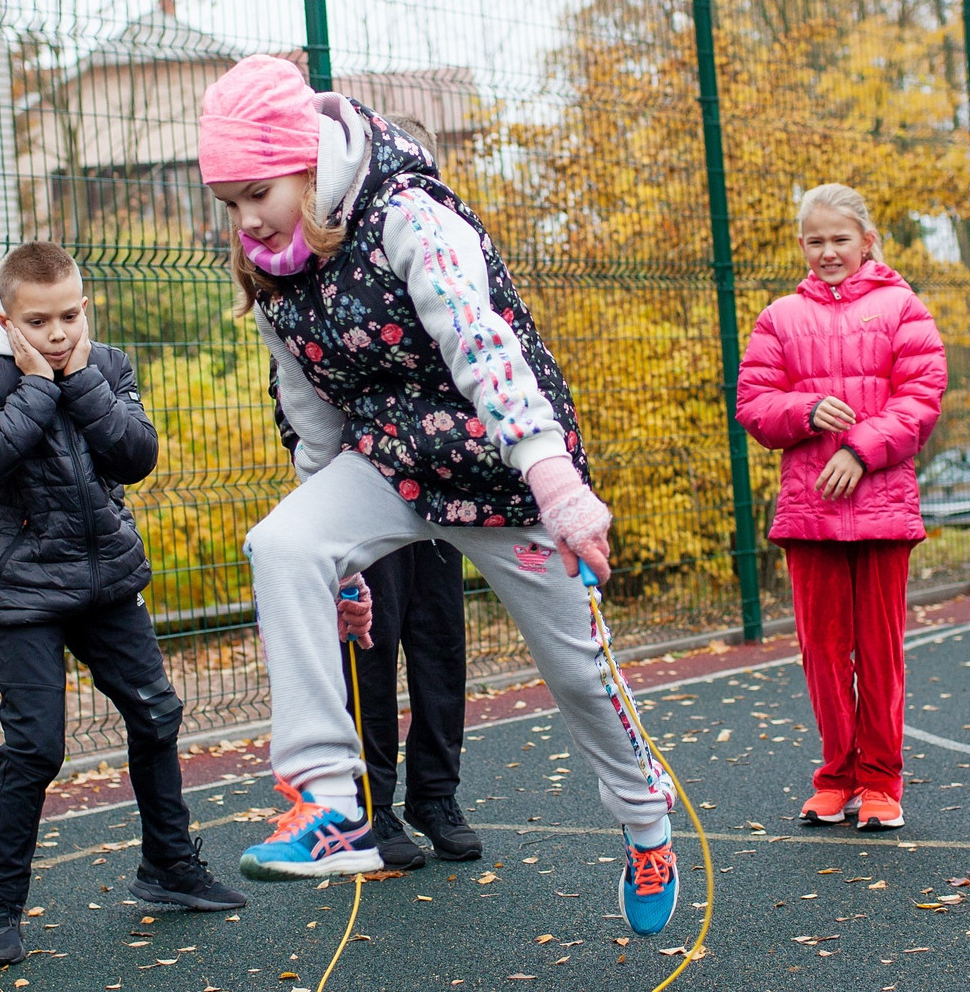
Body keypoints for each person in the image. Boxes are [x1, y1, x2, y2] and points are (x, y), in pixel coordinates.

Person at [196, 53, 679, 935]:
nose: (246, 218)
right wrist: (337, 565)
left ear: (306, 157)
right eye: (228, 202)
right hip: (393, 464)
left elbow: (483, 349)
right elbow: (312, 415)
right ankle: (332, 802)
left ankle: (646, 821)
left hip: (499, 466)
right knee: (284, 544)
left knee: (577, 669)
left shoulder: (409, 215)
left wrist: (557, 482)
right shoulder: (272, 268)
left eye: (256, 191)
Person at [0, 240, 244, 966]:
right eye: (40, 321)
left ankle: (168, 867)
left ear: (87, 308)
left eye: (70, 316)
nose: (57, 333)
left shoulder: (105, 366)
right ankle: (1, 904)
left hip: (106, 580)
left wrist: (78, 379)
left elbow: (136, 454)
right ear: (7, 320)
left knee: (156, 711)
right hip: (25, 593)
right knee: (36, 746)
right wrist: (39, 386)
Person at [734, 184, 946, 832]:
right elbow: (754, 404)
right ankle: (837, 774)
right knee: (823, 652)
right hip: (810, 515)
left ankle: (881, 780)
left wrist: (859, 448)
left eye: (840, 239)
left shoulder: (903, 307)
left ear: (866, 241)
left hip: (881, 509)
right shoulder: (779, 318)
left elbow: (922, 397)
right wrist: (801, 410)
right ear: (802, 245)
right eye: (816, 240)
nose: (828, 251)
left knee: (879, 652)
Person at [350, 541, 479, 868]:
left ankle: (434, 795)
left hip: (436, 501)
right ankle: (368, 806)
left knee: (442, 641)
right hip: (368, 504)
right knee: (371, 647)